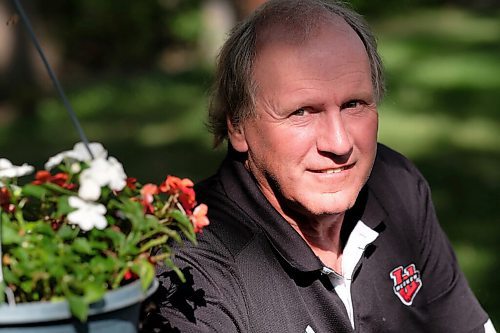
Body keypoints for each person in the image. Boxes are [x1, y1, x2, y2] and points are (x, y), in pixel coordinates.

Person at [144, 0, 496, 332]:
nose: (339, 143)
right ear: (238, 126)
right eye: (302, 112)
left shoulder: (396, 186)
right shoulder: (192, 267)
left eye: (354, 104)